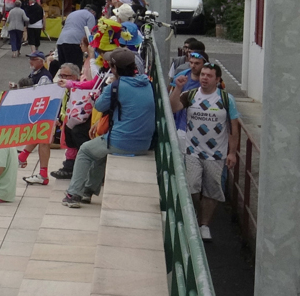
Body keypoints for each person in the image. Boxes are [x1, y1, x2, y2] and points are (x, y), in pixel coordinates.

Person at [63, 48, 156, 208]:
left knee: (85, 150)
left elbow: (99, 105)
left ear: (114, 68)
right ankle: (87, 191)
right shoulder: (146, 82)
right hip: (146, 142)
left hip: (122, 142)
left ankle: (73, 194)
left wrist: (108, 88)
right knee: (98, 152)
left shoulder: (116, 86)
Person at [170, 61, 241, 241]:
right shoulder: (191, 94)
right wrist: (178, 88)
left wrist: (232, 153)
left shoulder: (226, 99)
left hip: (216, 154)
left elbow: (234, 127)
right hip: (192, 150)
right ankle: (196, 214)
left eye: (209, 76)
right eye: (203, 75)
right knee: (192, 185)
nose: (204, 78)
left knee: (212, 190)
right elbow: (173, 107)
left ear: (217, 80)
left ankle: (204, 225)